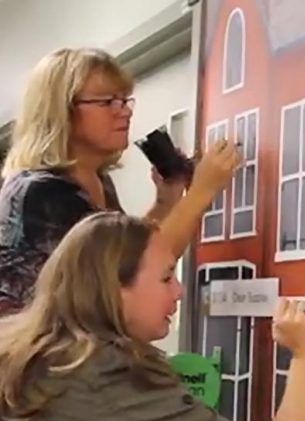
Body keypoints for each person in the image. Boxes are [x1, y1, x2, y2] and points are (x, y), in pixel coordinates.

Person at [0, 212, 305, 421]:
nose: (180, 291)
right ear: (116, 290)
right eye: (167, 277)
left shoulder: (23, 352)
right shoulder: (107, 372)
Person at [0, 47, 243, 315]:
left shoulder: (97, 180)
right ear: (62, 110)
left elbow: (127, 250)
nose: (124, 111)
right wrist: (202, 191)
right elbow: (128, 277)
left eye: (125, 100)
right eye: (107, 102)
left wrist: (166, 203)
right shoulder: (40, 191)